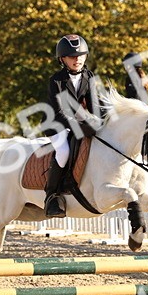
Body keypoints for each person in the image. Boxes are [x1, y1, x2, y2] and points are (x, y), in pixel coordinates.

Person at [44, 34, 105, 217]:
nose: (77, 59)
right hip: (58, 124)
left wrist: (97, 121)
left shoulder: (90, 77)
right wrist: (79, 125)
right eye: (72, 56)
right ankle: (51, 196)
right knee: (63, 152)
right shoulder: (56, 81)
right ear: (62, 59)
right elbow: (59, 112)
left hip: (79, 122)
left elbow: (94, 106)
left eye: (80, 56)